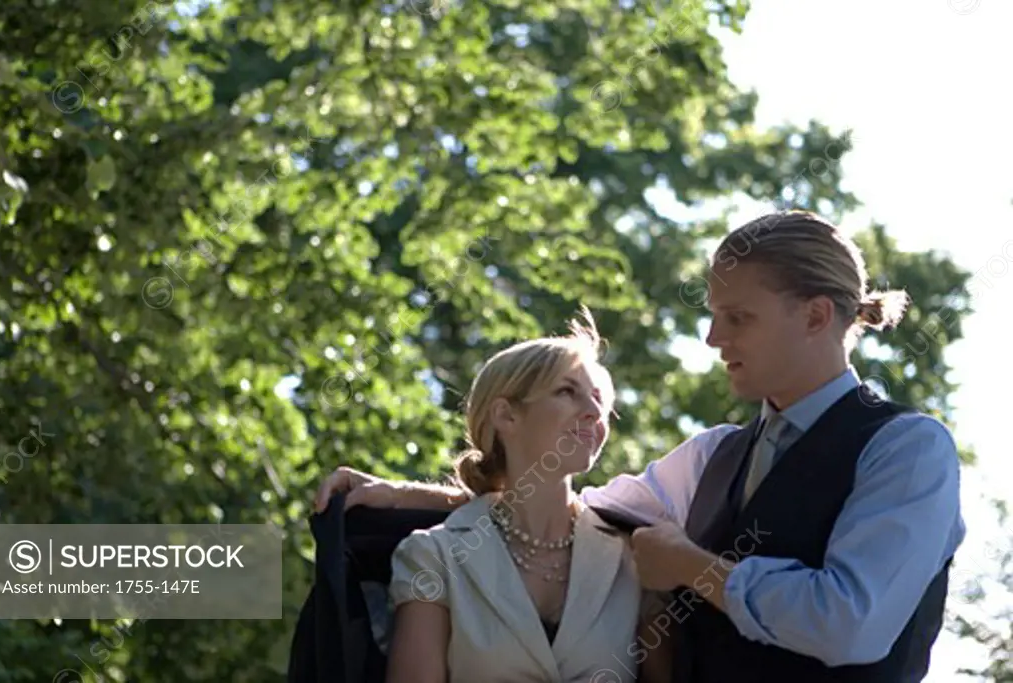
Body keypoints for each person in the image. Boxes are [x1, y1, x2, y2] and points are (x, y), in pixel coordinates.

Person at [316, 210, 965, 683]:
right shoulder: (714, 453)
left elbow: (847, 621)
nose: (713, 338)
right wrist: (406, 494)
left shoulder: (907, 449)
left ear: (817, 316)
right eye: (712, 313)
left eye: (737, 317)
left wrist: (693, 565)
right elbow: (566, 509)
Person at [380, 309, 672, 683]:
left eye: (599, 399)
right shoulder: (433, 557)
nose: (595, 412)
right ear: (507, 416)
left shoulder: (634, 557)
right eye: (568, 392)